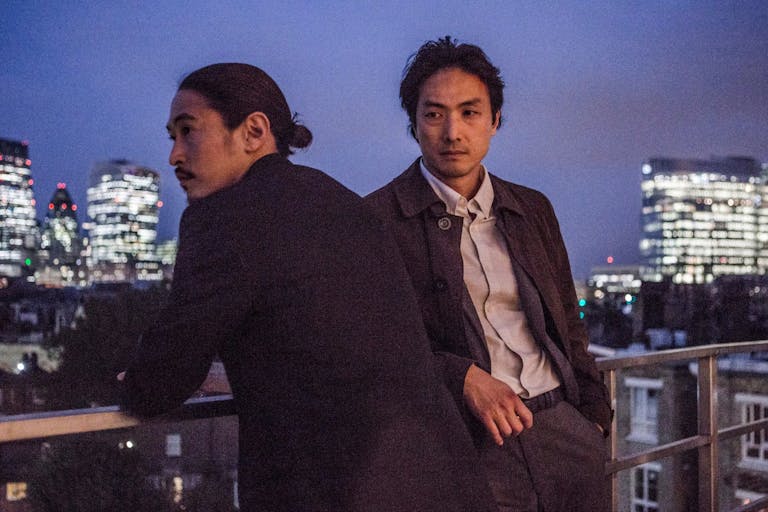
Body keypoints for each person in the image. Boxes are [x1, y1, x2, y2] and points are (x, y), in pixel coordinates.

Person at [119, 63, 496, 512]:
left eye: (189, 131)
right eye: (172, 136)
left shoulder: (224, 216)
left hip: (332, 493)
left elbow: (156, 384)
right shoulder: (342, 201)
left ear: (254, 131)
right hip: (443, 482)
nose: (175, 156)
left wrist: (136, 378)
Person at [365, 37, 612, 511]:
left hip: (562, 427)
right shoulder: (377, 219)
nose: (452, 132)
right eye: (434, 114)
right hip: (466, 442)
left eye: (470, 113)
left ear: (495, 121)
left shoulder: (532, 207)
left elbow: (568, 319)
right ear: (413, 126)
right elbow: (370, 344)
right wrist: (461, 376)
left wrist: (594, 420)